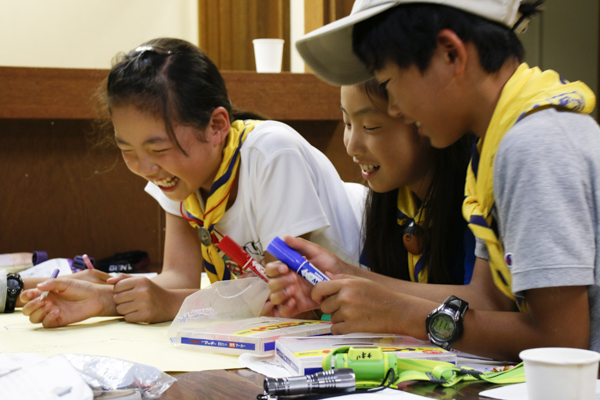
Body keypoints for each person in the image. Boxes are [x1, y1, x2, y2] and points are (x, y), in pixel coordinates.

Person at [269, 0, 600, 361]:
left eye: (389, 82)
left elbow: (563, 342)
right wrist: (346, 276)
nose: (394, 108)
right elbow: (489, 300)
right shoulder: (498, 143)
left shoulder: (534, 144)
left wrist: (402, 315)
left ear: (449, 54)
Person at [19, 37, 366, 327]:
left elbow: (286, 302)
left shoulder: (271, 153)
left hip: (342, 316)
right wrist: (110, 296)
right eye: (127, 150)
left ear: (216, 126)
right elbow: (177, 279)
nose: (145, 168)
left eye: (159, 148)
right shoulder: (181, 175)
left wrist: (163, 305)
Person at [269, 78, 485, 318]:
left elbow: (484, 309)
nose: (351, 147)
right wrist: (341, 279)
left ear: (425, 118)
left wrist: (364, 288)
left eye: (370, 126)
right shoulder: (392, 200)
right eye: (347, 123)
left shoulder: (478, 191)